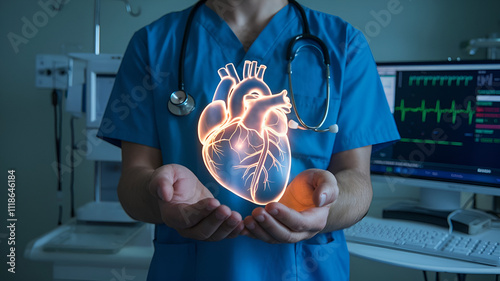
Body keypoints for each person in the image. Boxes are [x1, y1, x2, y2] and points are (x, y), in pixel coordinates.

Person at [98, 0, 400, 280]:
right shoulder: (154, 44)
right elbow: (132, 183)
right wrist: (160, 195)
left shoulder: (344, 45)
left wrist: (324, 207)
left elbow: (357, 181)